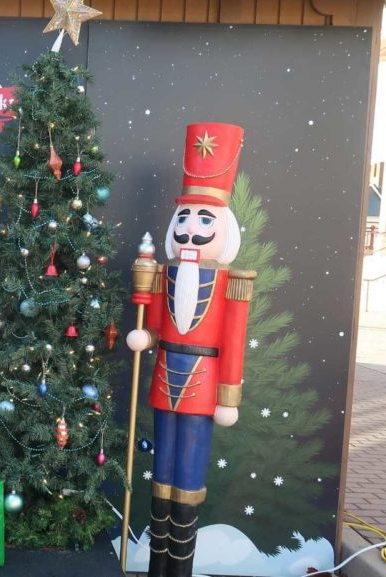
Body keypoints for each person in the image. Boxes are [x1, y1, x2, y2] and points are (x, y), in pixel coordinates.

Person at [126, 123, 256, 577]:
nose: (191, 229)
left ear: (224, 228)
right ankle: (158, 563)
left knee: (189, 471)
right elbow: (155, 322)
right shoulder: (164, 274)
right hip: (165, 376)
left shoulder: (233, 283)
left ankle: (179, 564)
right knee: (162, 467)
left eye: (204, 219)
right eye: (184, 218)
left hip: (203, 385)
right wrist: (145, 335)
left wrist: (228, 397)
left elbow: (233, 342)